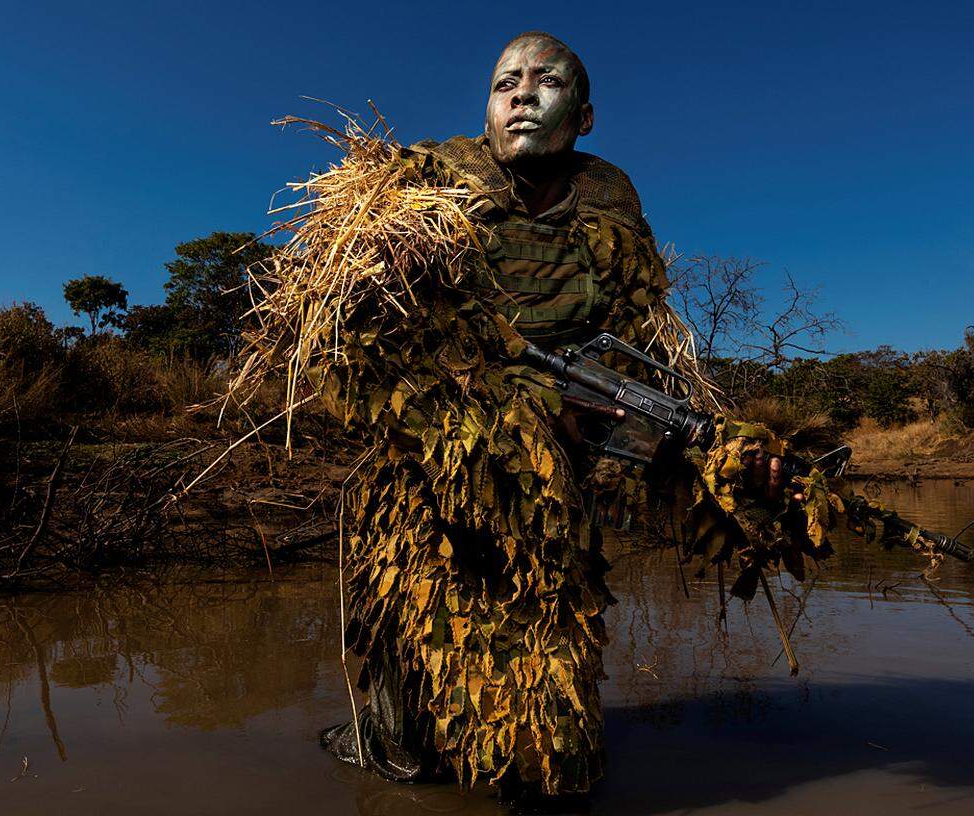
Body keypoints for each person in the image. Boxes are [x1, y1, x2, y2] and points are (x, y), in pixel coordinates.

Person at [316, 31, 815, 800]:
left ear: (583, 115)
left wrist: (711, 454)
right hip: (431, 472)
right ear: (486, 108)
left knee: (550, 713)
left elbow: (641, 355)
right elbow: (356, 345)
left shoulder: (611, 202)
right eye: (505, 82)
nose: (522, 93)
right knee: (414, 689)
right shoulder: (425, 184)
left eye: (546, 81)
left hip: (559, 473)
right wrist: (489, 407)